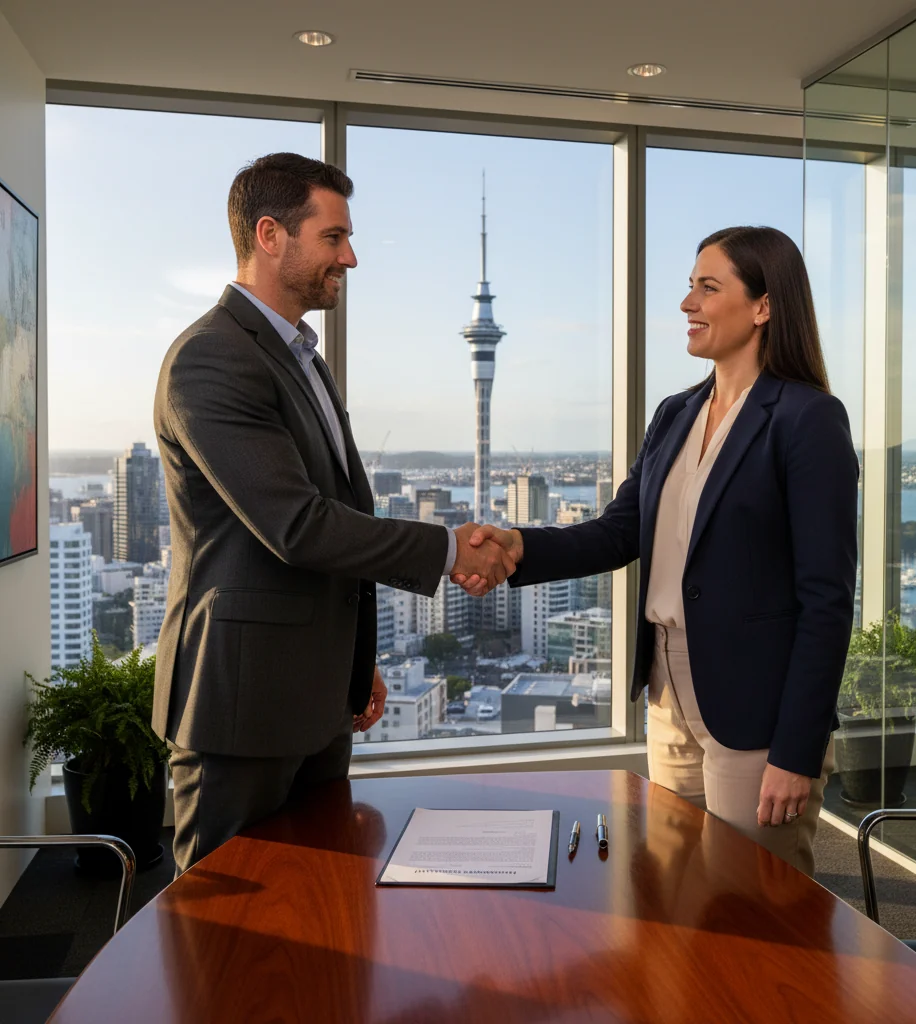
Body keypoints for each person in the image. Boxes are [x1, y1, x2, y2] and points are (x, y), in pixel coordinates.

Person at [456, 226, 858, 876]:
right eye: (688, 287)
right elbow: (619, 530)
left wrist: (796, 748)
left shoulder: (807, 419)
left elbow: (828, 601)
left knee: (751, 902)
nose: (686, 304)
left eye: (708, 287)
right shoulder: (676, 413)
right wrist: (517, 546)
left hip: (756, 706)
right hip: (669, 692)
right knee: (672, 889)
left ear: (762, 306)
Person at [153, 152, 514, 874]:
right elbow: (299, 525)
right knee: (228, 929)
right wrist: (450, 549)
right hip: (243, 706)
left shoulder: (304, 360)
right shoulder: (211, 357)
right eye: (334, 237)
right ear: (269, 235)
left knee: (318, 902)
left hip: (315, 701)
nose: (350, 256)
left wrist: (353, 664)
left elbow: (340, 509)